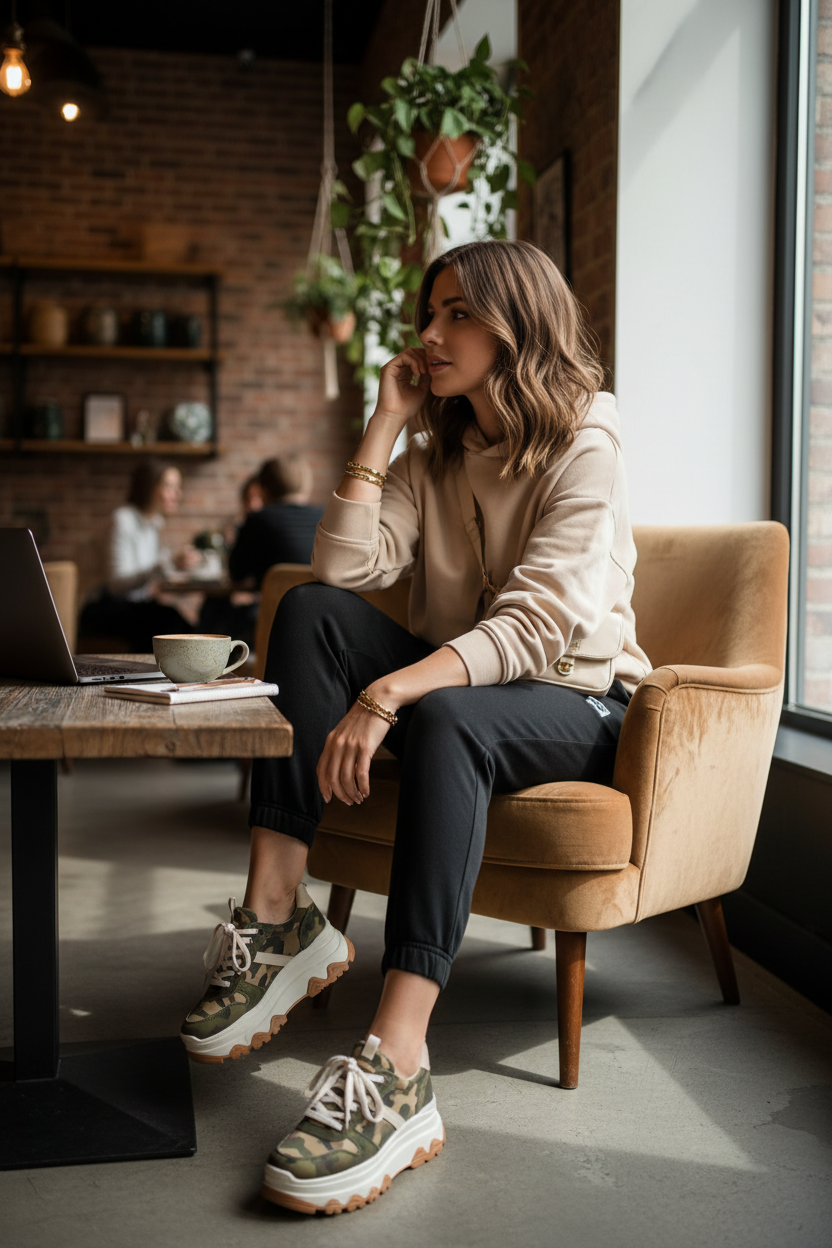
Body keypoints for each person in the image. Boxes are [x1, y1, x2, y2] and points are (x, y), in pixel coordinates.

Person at [179, 240, 651, 1214]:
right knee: (306, 612)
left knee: (447, 722)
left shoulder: (587, 437)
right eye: (428, 314)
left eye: (456, 315)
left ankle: (397, 1067)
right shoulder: (436, 452)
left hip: (578, 700)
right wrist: (386, 421)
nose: (429, 335)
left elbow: (535, 627)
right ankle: (278, 920)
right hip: (463, 684)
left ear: (516, 326)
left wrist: (388, 694)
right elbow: (344, 570)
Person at [80, 459, 200, 653]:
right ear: (149, 488)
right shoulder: (123, 520)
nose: (177, 494)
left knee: (183, 624)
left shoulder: (153, 524)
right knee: (169, 620)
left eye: (178, 487)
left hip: (130, 607)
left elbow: (144, 580)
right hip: (102, 608)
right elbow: (116, 585)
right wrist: (166, 565)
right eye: (169, 487)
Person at [228, 454, 323, 588]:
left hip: (273, 607)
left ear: (264, 489)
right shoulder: (326, 518)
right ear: (306, 484)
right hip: (322, 607)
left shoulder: (258, 520)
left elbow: (237, 573)